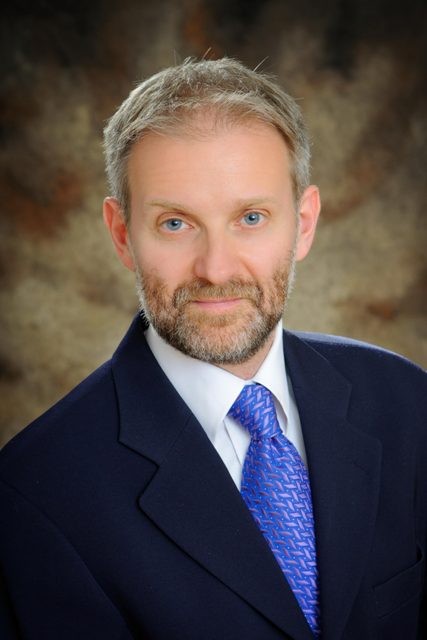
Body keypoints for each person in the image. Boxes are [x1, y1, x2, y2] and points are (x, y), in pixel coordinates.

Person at [0, 58, 426, 640]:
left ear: (303, 224)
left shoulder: (406, 402)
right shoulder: (34, 495)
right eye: (176, 224)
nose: (216, 269)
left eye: (251, 217)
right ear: (122, 234)